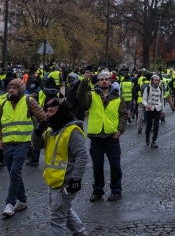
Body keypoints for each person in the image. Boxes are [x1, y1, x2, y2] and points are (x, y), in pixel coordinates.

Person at [78, 70, 128, 202]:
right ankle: (97, 191)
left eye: (106, 79)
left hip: (112, 136)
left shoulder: (118, 97)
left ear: (110, 82)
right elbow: (81, 98)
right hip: (96, 137)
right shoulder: (92, 95)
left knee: (115, 166)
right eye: (101, 79)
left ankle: (116, 191)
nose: (104, 81)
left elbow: (123, 115)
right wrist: (84, 82)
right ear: (98, 82)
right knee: (97, 167)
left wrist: (120, 130)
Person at [41, 98, 88, 235]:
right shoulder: (51, 130)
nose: (47, 114)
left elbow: (82, 156)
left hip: (65, 181)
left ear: (61, 113)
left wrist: (76, 179)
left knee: (57, 218)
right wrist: (37, 133)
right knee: (65, 212)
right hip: (54, 180)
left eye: (51, 111)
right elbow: (38, 146)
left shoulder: (72, 131)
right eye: (46, 111)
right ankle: (81, 233)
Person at [1, 77, 48, 216]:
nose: (11, 90)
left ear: (21, 89)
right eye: (9, 88)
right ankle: (22, 200)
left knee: (15, 172)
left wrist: (37, 135)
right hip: (8, 143)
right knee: (13, 173)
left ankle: (10, 203)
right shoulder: (4, 103)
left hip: (23, 143)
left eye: (14, 88)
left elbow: (43, 118)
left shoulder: (29, 101)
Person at [142, 74, 165, 148]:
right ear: (152, 80)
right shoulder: (147, 88)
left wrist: (162, 111)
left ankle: (153, 141)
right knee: (148, 125)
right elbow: (143, 99)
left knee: (156, 126)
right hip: (149, 109)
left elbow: (161, 100)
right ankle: (147, 137)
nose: (156, 81)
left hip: (157, 109)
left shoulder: (160, 89)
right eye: (155, 80)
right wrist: (146, 105)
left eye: (158, 80)